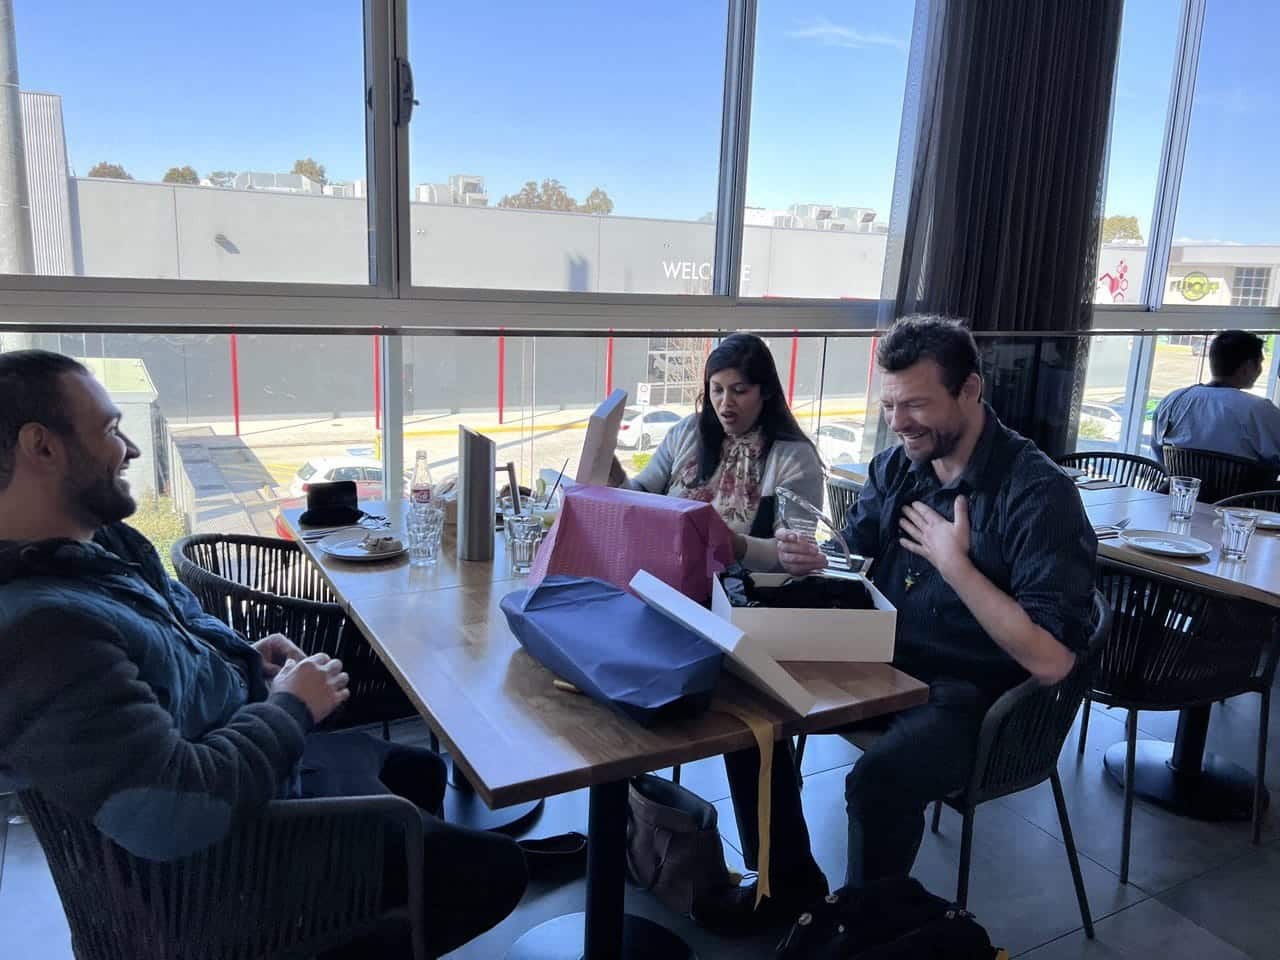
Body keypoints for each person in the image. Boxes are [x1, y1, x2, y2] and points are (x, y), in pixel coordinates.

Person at [0, 350, 526, 958]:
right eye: (111, 429)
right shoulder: (43, 632)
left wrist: (243, 653)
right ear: (41, 446)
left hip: (249, 784)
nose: (131, 449)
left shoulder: (97, 545)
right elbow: (172, 812)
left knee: (423, 771)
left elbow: (174, 631)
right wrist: (290, 708)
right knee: (495, 868)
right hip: (214, 882)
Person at [772, 316, 1097, 895]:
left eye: (915, 405)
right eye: (890, 405)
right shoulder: (899, 465)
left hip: (979, 699)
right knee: (750, 709)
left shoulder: (1038, 493)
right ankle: (787, 890)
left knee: (879, 780)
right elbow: (858, 555)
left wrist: (956, 566)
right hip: (887, 665)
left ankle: (865, 929)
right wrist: (819, 560)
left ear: (970, 390)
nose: (897, 424)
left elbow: (1051, 663)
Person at [610, 332, 831, 928]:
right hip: (669, 597)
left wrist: (731, 543)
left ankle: (787, 875)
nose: (726, 403)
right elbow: (642, 496)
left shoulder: (792, 456)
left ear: (765, 393)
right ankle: (638, 834)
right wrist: (609, 469)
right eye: (716, 390)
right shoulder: (687, 433)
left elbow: (795, 556)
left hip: (742, 610)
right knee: (612, 691)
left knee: (751, 728)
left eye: (739, 391)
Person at [1151, 330, 1280, 468]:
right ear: (1247, 367)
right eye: (1259, 363)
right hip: (1247, 490)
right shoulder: (1259, 410)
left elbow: (1158, 453)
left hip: (1182, 488)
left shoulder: (1172, 401)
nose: (1260, 370)